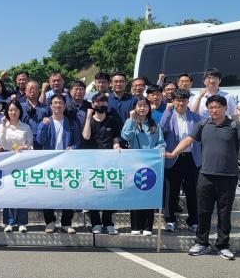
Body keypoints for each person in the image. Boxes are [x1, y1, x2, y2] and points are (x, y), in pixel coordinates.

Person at [166, 96, 240, 259]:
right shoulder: (203, 124)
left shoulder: (234, 125)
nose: (214, 110)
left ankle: (222, 245)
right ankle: (201, 243)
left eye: (217, 107)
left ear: (225, 108)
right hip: (205, 175)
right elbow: (188, 140)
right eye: (211, 107)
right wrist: (174, 153)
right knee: (203, 211)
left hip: (228, 176)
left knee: (224, 213)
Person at [37, 93, 82, 234]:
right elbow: (40, 140)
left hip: (67, 163)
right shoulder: (46, 121)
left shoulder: (71, 123)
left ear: (64, 105)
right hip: (49, 163)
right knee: (48, 193)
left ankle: (66, 223)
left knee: (68, 193)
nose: (58, 105)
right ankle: (50, 222)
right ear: (51, 106)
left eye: (60, 103)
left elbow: (77, 141)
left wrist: (72, 148)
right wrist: (43, 126)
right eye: (55, 103)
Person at [120, 96, 166, 235]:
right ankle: (135, 226)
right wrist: (132, 120)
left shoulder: (154, 124)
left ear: (149, 108)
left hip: (150, 164)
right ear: (134, 108)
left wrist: (153, 152)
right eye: (139, 106)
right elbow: (125, 137)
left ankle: (147, 227)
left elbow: (161, 143)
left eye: (145, 106)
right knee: (135, 194)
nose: (142, 108)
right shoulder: (130, 121)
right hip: (134, 164)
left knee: (149, 194)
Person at [160, 89, 202, 233]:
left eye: (183, 100)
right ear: (173, 101)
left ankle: (193, 221)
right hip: (173, 158)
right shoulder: (168, 115)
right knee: (171, 191)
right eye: (177, 100)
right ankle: (170, 220)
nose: (180, 103)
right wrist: (167, 112)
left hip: (191, 158)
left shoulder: (196, 118)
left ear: (188, 101)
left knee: (192, 191)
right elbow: (161, 130)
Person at [81, 93, 122, 235]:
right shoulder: (89, 120)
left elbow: (115, 139)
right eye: (97, 103)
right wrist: (88, 116)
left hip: (109, 163)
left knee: (109, 193)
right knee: (93, 193)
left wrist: (116, 146)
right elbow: (86, 136)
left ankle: (108, 222)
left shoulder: (112, 120)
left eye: (103, 102)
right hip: (92, 163)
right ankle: (96, 223)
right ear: (93, 104)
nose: (100, 105)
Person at [0, 100, 34, 232]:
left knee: (22, 190)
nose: (13, 112)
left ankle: (22, 222)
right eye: (11, 110)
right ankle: (9, 222)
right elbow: (1, 143)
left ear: (20, 112)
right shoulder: (3, 126)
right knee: (8, 191)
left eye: (16, 110)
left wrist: (25, 147)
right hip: (7, 161)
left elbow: (31, 145)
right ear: (7, 112)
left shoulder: (26, 127)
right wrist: (3, 126)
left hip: (22, 161)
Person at [20, 80, 49, 149]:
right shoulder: (20, 107)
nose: (33, 91)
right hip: (24, 142)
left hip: (41, 142)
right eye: (30, 89)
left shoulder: (45, 107)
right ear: (25, 91)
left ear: (38, 92)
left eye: (35, 89)